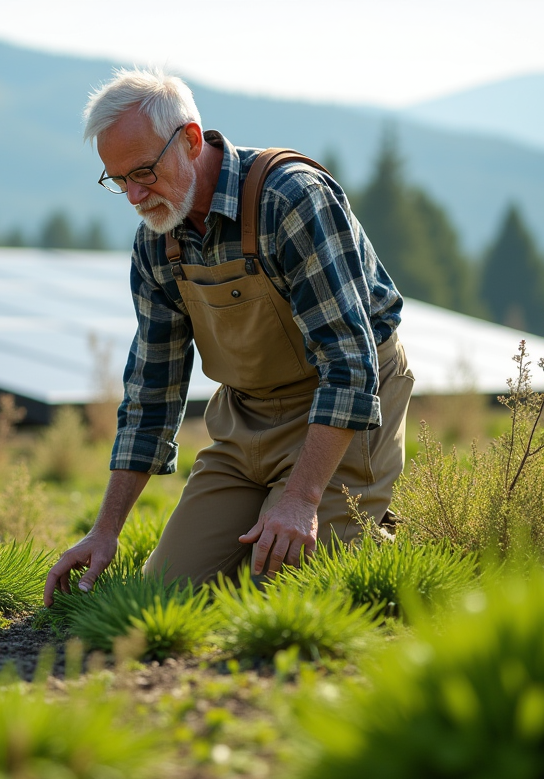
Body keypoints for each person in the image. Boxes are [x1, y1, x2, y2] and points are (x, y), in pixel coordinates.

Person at [43, 68, 412, 607]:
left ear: (191, 139)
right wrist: (105, 531)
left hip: (345, 410)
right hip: (245, 421)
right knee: (164, 598)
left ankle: (377, 532)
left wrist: (301, 499)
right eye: (118, 179)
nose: (134, 196)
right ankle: (287, 510)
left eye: (143, 171)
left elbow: (351, 364)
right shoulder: (157, 242)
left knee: (280, 598)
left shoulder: (290, 200)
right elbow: (152, 392)